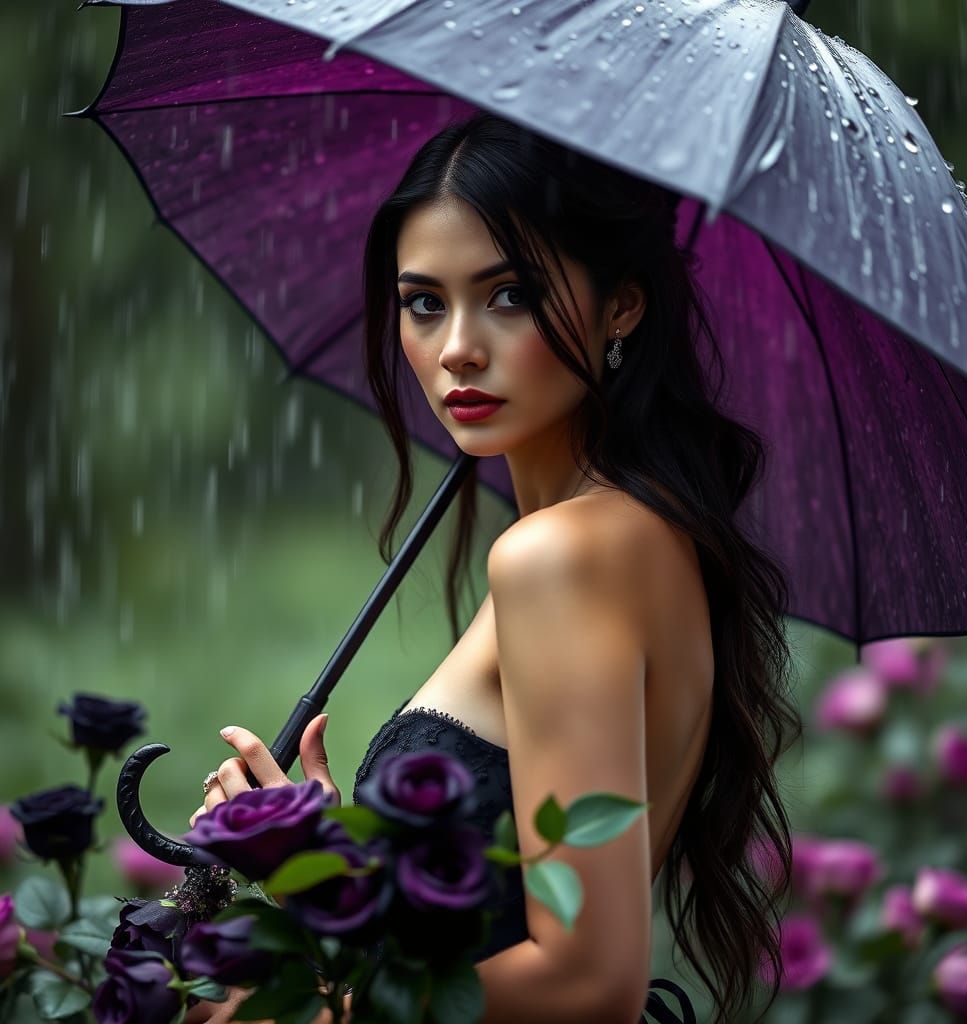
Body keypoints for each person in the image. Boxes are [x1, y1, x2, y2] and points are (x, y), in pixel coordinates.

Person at [184, 111, 800, 1024]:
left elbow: (588, 984)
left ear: (622, 303)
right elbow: (500, 933)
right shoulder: (637, 536)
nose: (457, 348)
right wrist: (326, 871)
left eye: (509, 295)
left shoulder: (562, 556)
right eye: (424, 302)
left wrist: (310, 1011)